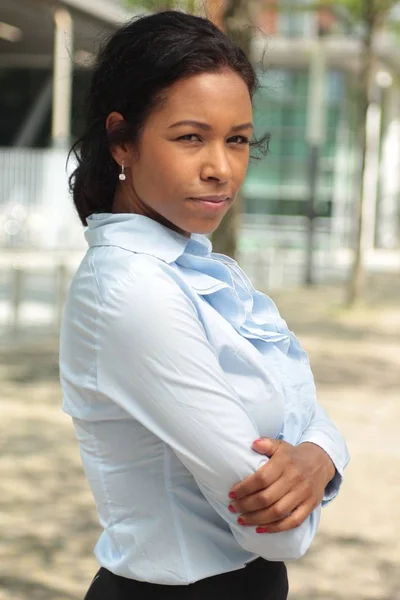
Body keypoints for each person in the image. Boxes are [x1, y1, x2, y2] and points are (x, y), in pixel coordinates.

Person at [59, 10, 349, 600]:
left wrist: (320, 454)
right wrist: (316, 459)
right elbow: (278, 534)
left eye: (237, 139)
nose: (221, 168)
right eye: (191, 137)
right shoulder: (131, 290)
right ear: (122, 139)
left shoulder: (198, 272)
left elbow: (303, 408)